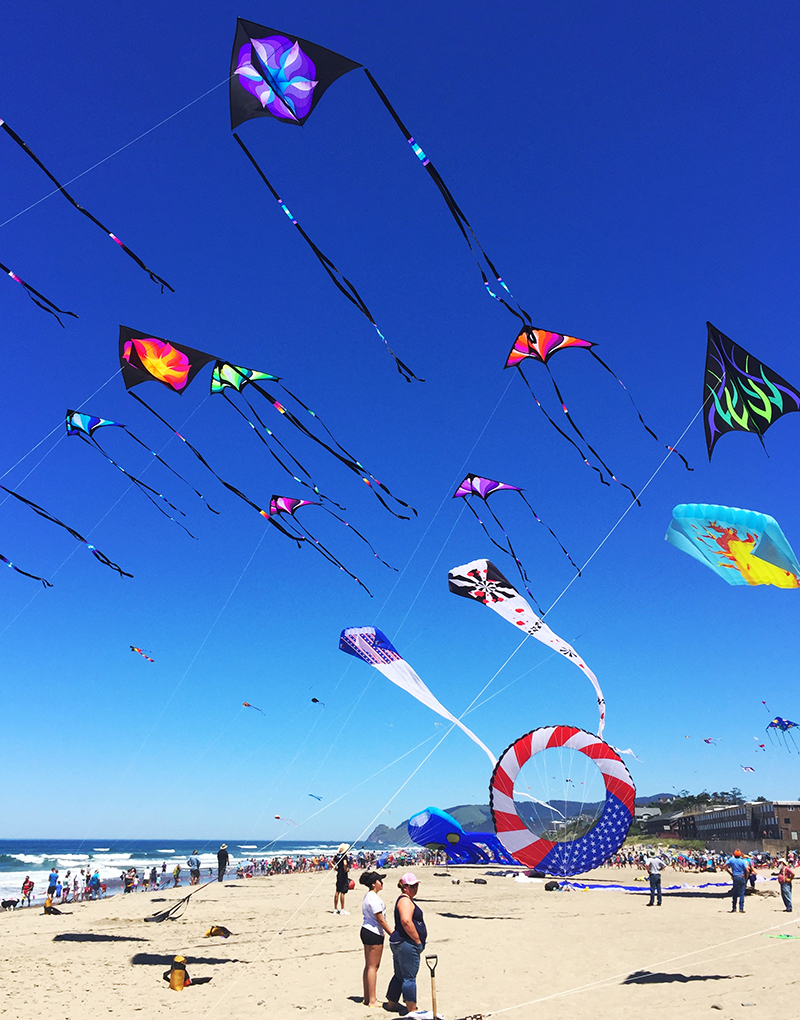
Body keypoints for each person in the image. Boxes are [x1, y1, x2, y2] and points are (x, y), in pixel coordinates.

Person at [386, 873, 427, 1014]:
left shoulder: (407, 900)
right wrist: (417, 940)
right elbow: (406, 921)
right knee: (409, 977)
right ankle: (412, 1009)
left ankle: (392, 1003)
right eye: (412, 886)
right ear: (404, 887)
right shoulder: (405, 901)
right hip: (406, 943)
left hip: (401, 942)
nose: (415, 888)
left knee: (399, 975)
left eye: (416, 885)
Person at [359, 871, 392, 1007]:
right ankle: (371, 999)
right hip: (373, 932)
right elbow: (380, 920)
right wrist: (392, 933)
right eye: (379, 880)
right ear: (374, 883)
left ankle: (367, 997)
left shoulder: (369, 896)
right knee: (373, 966)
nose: (381, 882)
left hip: (367, 930)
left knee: (369, 965)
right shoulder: (373, 898)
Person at [333, 843, 350, 914]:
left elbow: (331, 862)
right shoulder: (344, 856)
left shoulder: (337, 856)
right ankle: (342, 909)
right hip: (343, 874)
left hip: (339, 874)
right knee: (343, 892)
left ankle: (335, 908)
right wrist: (346, 869)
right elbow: (345, 863)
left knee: (337, 891)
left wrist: (336, 868)